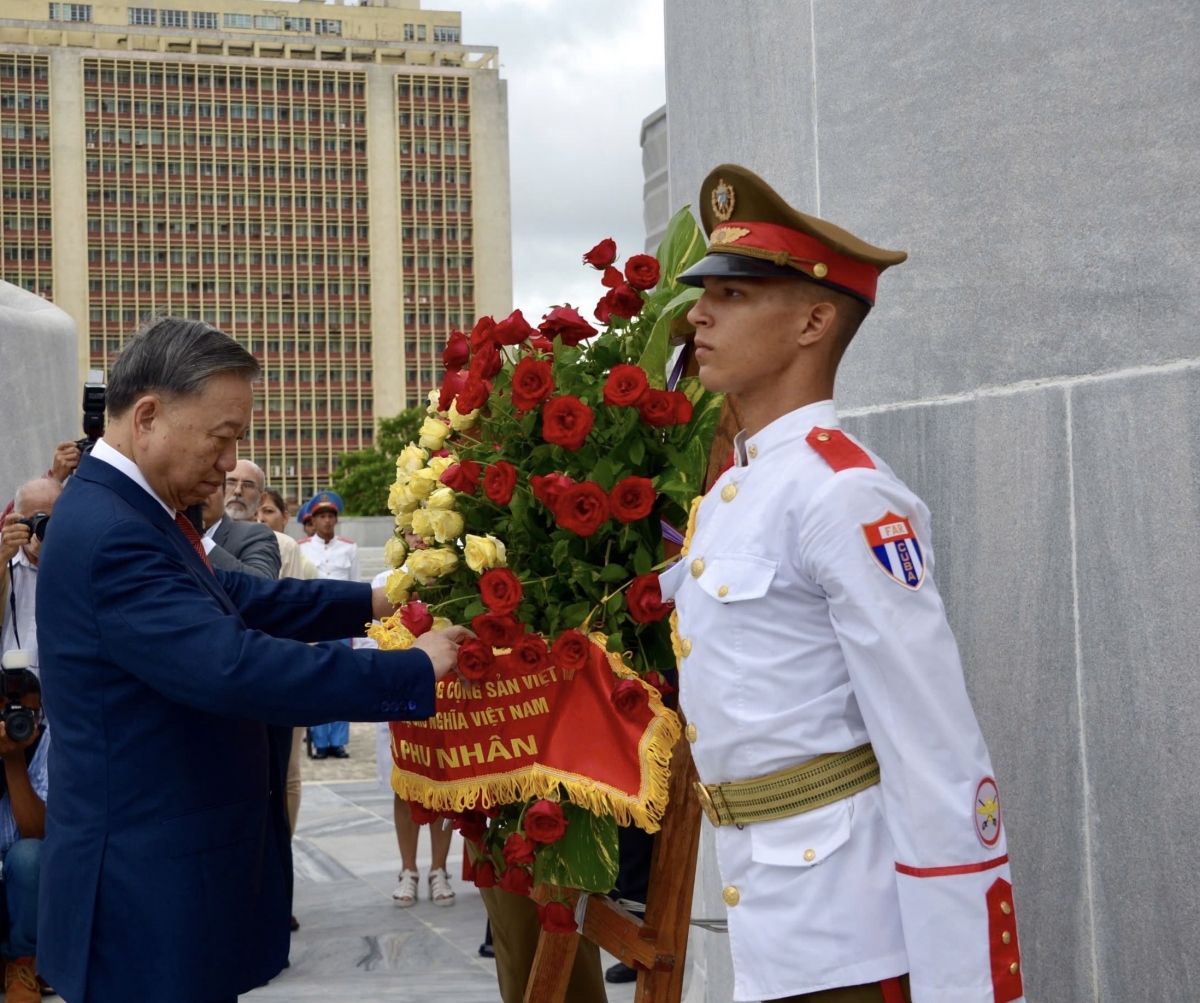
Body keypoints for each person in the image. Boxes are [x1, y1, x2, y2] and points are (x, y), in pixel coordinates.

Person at [659, 165, 1023, 1003]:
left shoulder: (845, 493)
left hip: (847, 927)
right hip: (766, 901)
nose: (698, 314)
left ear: (814, 320)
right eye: (704, 292)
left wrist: (963, 973)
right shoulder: (731, 494)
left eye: (736, 293)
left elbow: (932, 743)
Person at [35, 317, 471, 1003]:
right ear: (148, 415)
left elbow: (233, 595)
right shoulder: (112, 532)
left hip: (171, 881)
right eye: (222, 436)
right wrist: (411, 669)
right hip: (144, 899)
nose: (229, 459)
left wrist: (376, 599)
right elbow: (232, 665)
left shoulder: (130, 509)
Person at [363, 562, 454, 909]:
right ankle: (408, 870)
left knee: (443, 784)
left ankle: (439, 869)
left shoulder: (451, 572)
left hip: (444, 696)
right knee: (405, 784)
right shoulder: (386, 581)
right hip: (401, 693)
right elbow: (373, 640)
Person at [0, 666, 49, 1003]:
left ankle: (23, 963)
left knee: (30, 855)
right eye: (8, 712)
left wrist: (13, 758)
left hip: (28, 893)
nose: (19, 722)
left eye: (28, 713)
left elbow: (40, 834)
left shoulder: (49, 744)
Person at [298, 492, 357, 760]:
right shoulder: (301, 548)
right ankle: (320, 742)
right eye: (322, 516)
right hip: (315, 622)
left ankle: (338, 741)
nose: (327, 521)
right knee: (317, 680)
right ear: (313, 519)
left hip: (342, 620)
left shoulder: (349, 548)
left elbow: (356, 585)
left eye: (331, 516)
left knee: (343, 680)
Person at [0, 479, 62, 678]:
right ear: (17, 519)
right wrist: (2, 558)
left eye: (52, 521)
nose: (42, 529)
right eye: (35, 520)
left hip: (58, 686)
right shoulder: (3, 550)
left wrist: (53, 562)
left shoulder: (78, 556)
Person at [200, 483, 281, 580]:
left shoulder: (254, 534)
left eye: (206, 483)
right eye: (190, 484)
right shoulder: (177, 537)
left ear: (224, 493)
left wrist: (201, 542)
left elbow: (262, 584)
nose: (199, 493)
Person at [256, 488, 318, 582]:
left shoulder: (305, 567)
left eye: (268, 511)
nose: (260, 519)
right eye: (254, 513)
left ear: (285, 517)